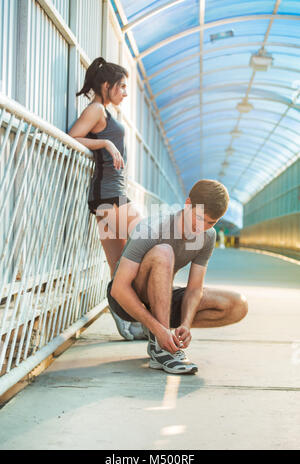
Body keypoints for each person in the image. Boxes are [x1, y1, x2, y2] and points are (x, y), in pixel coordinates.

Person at [107, 180, 248, 374]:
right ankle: (161, 345)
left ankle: (164, 338)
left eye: (211, 222)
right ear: (188, 204)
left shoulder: (207, 236)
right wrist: (158, 328)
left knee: (237, 305)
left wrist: (186, 324)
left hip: (161, 295)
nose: (202, 227)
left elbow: (194, 288)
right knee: (164, 252)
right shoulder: (152, 229)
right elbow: (119, 289)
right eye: (199, 218)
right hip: (126, 299)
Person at [68, 57, 145, 341]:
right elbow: (73, 136)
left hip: (113, 197)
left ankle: (129, 319)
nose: (125, 92)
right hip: (108, 198)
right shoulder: (97, 109)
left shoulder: (106, 112)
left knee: (123, 264)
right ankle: (136, 320)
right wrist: (105, 142)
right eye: (122, 86)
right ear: (106, 85)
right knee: (139, 254)